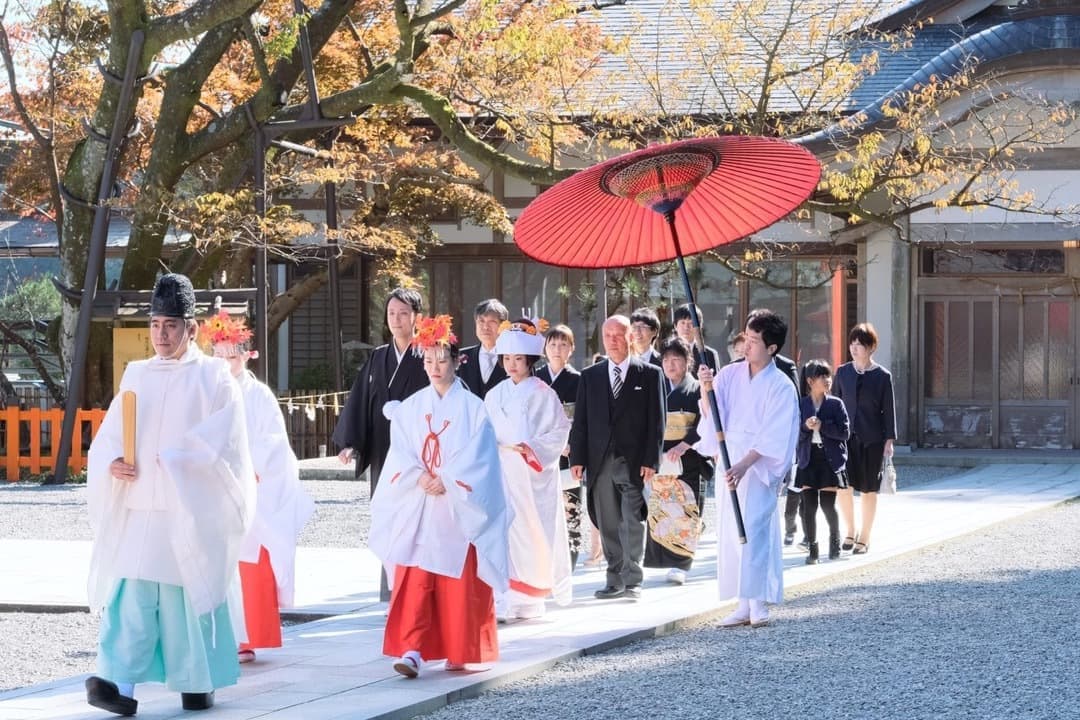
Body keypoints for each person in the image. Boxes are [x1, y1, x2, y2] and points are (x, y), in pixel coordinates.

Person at [84, 273, 256, 716]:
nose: (161, 335)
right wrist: (111, 463)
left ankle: (198, 683)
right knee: (132, 600)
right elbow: (110, 435)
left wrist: (180, 461)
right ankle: (117, 684)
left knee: (186, 601)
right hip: (141, 504)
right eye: (156, 325)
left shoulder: (215, 377)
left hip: (188, 506)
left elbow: (226, 442)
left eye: (171, 326)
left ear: (191, 329)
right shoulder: (136, 374)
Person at [368, 314, 510, 678]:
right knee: (416, 580)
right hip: (420, 505)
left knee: (457, 583)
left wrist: (448, 478)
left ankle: (459, 648)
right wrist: (419, 476)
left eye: (441, 359)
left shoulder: (474, 409)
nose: (434, 367)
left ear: (456, 360)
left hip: (457, 507)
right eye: (428, 360)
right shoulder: (412, 407)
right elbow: (400, 452)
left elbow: (482, 458)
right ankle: (412, 650)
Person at [201, 310, 315, 663]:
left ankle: (247, 638)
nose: (225, 361)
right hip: (215, 489)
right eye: (219, 355)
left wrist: (245, 464)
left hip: (251, 490)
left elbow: (274, 443)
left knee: (248, 562)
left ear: (245, 354)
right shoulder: (207, 392)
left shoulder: (260, 394)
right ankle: (218, 636)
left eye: (232, 354)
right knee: (215, 564)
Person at [697, 309, 799, 628]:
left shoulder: (781, 385)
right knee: (731, 530)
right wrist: (705, 386)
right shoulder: (728, 374)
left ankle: (758, 601)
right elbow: (715, 412)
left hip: (756, 466)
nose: (747, 345)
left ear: (772, 348)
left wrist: (744, 465)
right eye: (746, 338)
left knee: (754, 528)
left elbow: (775, 433)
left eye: (754, 340)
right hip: (730, 459)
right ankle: (742, 602)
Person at [333, 287, 428, 601]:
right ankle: (392, 589)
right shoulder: (377, 357)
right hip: (382, 451)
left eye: (403, 313)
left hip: (418, 454)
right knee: (387, 518)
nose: (396, 319)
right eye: (391, 313)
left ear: (416, 317)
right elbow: (361, 401)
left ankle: (417, 589)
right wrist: (350, 442)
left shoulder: (429, 354)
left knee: (417, 519)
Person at [569, 315, 664, 600]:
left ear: (631, 337)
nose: (613, 340)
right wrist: (577, 457)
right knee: (608, 521)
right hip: (600, 461)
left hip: (634, 460)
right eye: (607, 334)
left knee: (632, 519)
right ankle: (614, 578)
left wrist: (652, 460)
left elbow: (657, 422)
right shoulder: (591, 376)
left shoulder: (649, 374)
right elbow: (581, 421)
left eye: (619, 334)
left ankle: (632, 578)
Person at [485, 319, 573, 619]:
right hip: (501, 468)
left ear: (530, 360)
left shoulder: (542, 392)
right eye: (506, 358)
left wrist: (533, 448)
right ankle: (505, 596)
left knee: (532, 530)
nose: (511, 364)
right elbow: (483, 430)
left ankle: (531, 596)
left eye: (517, 359)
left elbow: (559, 431)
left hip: (530, 471)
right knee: (503, 529)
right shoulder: (494, 393)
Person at [644, 337, 712, 585]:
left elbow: (705, 421)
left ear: (687, 363)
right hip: (662, 459)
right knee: (662, 510)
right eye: (666, 360)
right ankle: (665, 559)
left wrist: (685, 444)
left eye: (676, 360)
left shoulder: (695, 389)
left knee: (686, 510)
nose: (670, 364)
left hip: (689, 457)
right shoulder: (657, 387)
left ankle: (682, 564)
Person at [833, 323, 897, 556]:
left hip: (872, 440)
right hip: (845, 439)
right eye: (852, 343)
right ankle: (850, 530)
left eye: (859, 344)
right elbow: (834, 404)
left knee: (869, 489)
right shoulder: (842, 372)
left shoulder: (882, 376)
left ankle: (865, 536)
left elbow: (888, 410)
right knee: (844, 486)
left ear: (871, 348)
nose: (854, 348)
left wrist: (889, 439)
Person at [535, 324, 584, 568]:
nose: (557, 349)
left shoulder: (578, 380)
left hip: (567, 454)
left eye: (563, 344)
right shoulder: (535, 379)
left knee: (569, 507)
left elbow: (583, 420)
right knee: (540, 508)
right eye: (552, 344)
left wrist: (571, 446)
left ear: (571, 349)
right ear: (544, 348)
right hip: (540, 454)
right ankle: (542, 562)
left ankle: (569, 561)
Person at [794, 360, 849, 564]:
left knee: (827, 505)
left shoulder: (835, 403)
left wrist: (822, 426)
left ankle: (835, 540)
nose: (827, 380)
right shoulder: (802, 404)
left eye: (829, 376)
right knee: (809, 506)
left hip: (829, 459)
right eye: (822, 377)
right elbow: (794, 434)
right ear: (810, 381)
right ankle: (813, 549)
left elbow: (845, 433)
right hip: (808, 458)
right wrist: (806, 427)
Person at [457, 298, 510, 398]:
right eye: (481, 321)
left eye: (492, 321)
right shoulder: (460, 357)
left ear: (503, 326)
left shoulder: (514, 358)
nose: (485, 327)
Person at [673, 303, 722, 378]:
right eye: (683, 323)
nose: (686, 327)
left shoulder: (709, 355)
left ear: (699, 326)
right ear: (675, 326)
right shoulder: (667, 353)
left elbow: (716, 384)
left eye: (691, 323)